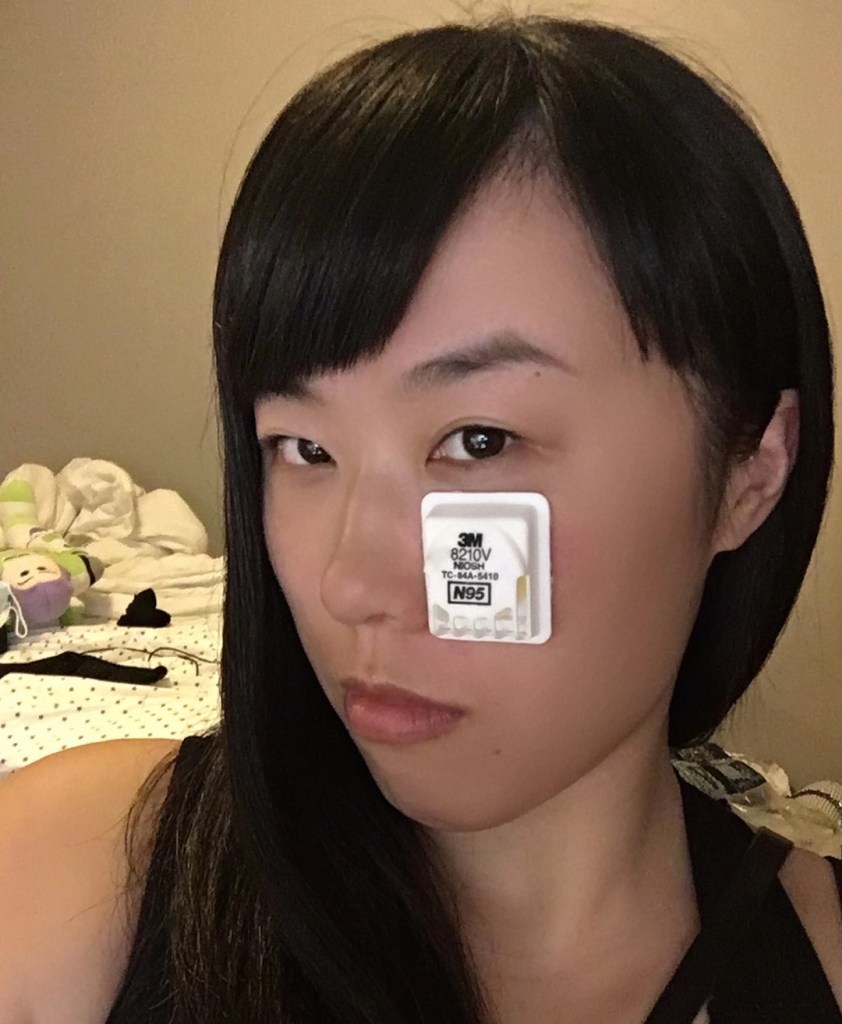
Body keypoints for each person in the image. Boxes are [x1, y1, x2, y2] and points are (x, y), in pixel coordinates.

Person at [0, 14, 839, 1024]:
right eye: (302, 449)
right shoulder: (75, 876)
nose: (349, 585)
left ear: (751, 469)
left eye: (478, 441)